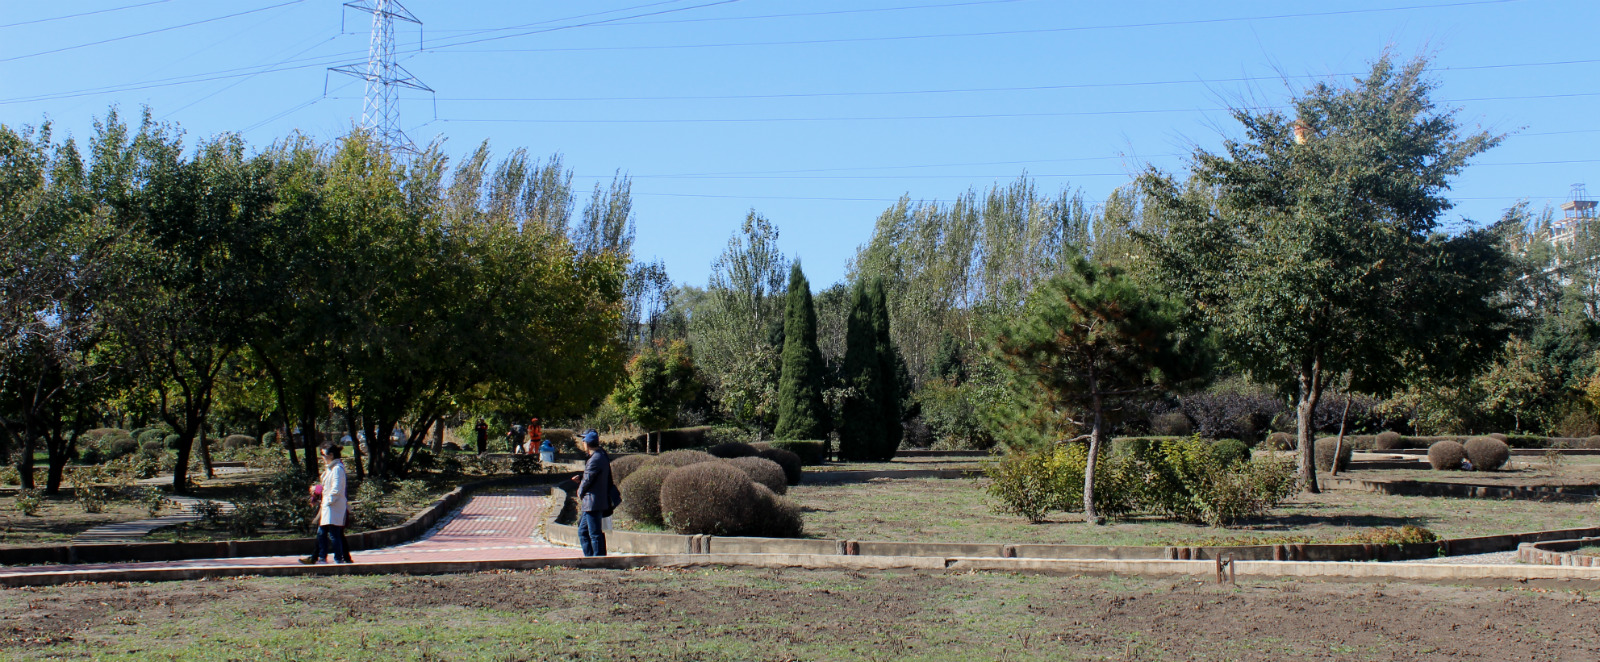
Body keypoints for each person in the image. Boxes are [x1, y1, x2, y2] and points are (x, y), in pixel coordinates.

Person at [300, 445, 353, 565]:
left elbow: (336, 489)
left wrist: (328, 501)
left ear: (331, 455)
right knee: (322, 533)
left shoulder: (337, 469)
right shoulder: (330, 469)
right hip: (328, 506)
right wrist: (317, 491)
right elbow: (326, 487)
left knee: (334, 534)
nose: (322, 457)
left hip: (333, 506)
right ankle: (322, 557)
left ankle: (338, 559)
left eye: (323, 454)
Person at [574, 430, 616, 557]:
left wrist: (580, 491)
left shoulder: (595, 459)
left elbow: (588, 479)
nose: (582, 443)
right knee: (584, 531)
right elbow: (592, 476)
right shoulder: (601, 455)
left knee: (594, 533)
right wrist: (581, 478)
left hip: (592, 502)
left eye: (583, 440)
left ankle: (597, 559)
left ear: (587, 443)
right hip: (594, 501)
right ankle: (592, 558)